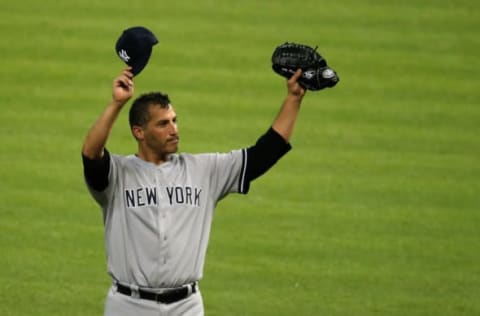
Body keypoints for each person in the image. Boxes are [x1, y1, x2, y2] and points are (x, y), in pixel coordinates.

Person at [81, 66, 306, 316]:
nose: (174, 129)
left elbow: (265, 152)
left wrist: (294, 98)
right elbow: (91, 154)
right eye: (163, 124)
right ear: (139, 132)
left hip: (185, 306)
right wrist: (117, 104)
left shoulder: (204, 170)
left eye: (175, 121)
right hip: (129, 306)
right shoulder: (118, 174)